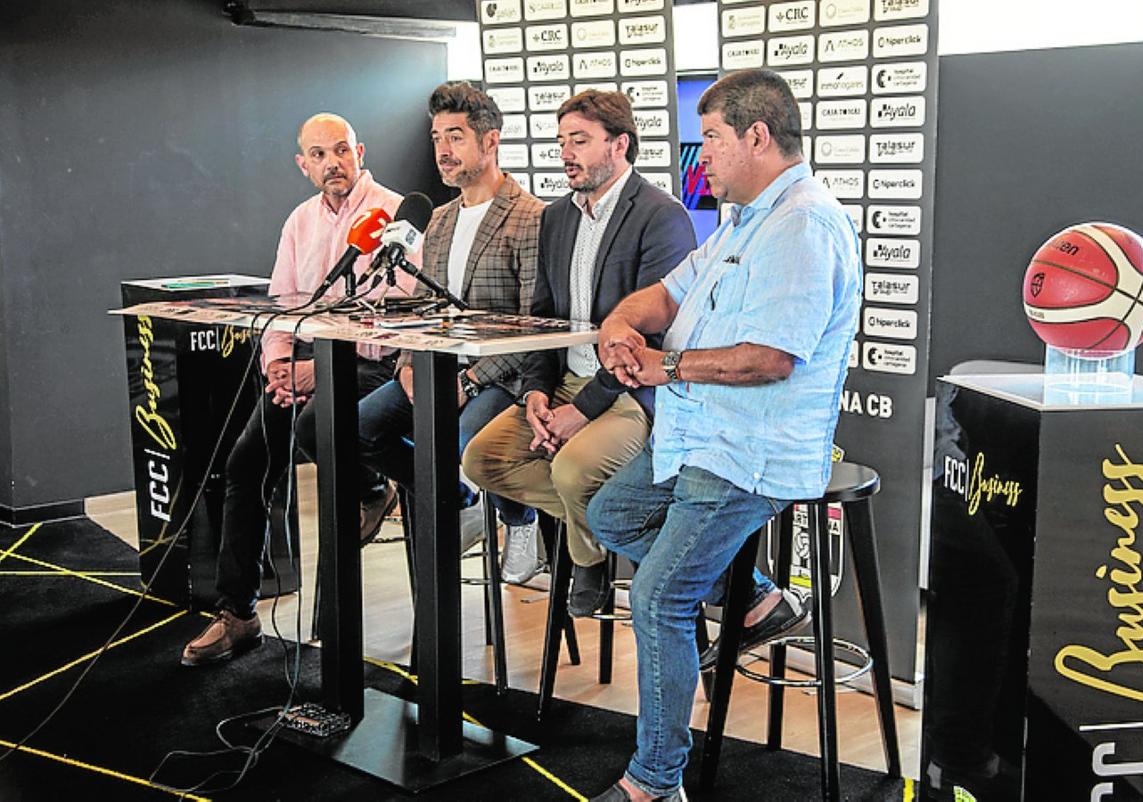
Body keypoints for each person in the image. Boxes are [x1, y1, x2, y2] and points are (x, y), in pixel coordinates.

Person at [583, 69, 863, 801]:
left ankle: (654, 783)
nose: (698, 154)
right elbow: (669, 292)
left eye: (710, 138)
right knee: (611, 512)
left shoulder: (803, 222)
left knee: (657, 600)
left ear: (758, 137)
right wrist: (620, 325)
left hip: (749, 452)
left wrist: (660, 363)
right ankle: (758, 598)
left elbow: (772, 357)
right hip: (698, 435)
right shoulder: (744, 218)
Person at [182, 113, 416, 667]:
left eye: (340, 150)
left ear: (359, 151)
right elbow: (282, 302)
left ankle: (369, 488)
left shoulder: (394, 214)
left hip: (372, 366)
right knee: (243, 466)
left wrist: (320, 369)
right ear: (303, 164)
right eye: (319, 154)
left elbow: (400, 315)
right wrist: (281, 365)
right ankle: (238, 614)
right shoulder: (299, 221)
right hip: (306, 366)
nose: (332, 163)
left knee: (316, 428)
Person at [462, 90, 695, 612]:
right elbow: (543, 322)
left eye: (581, 141)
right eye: (562, 141)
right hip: (565, 382)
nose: (566, 153)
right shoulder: (556, 219)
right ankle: (610, 533)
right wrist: (537, 395)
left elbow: (647, 342)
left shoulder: (662, 216)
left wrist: (580, 412)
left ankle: (586, 561)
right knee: (482, 459)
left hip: (630, 393)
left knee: (571, 471)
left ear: (620, 145)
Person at [356, 82, 544, 577]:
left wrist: (470, 381)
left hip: (502, 375)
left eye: (456, 137)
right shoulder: (437, 220)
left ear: (490, 141)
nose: (443, 150)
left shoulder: (531, 218)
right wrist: (407, 365)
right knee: (357, 428)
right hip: (438, 366)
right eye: (438, 137)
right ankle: (463, 501)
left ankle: (519, 519)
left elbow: (531, 329)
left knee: (450, 444)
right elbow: (423, 304)